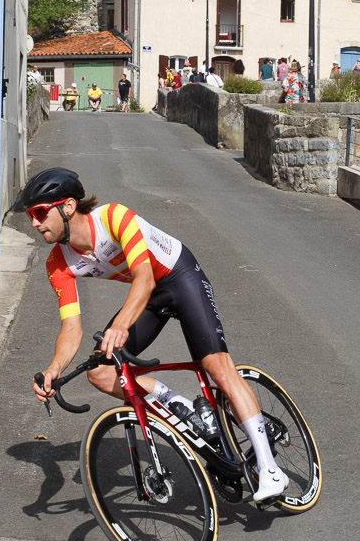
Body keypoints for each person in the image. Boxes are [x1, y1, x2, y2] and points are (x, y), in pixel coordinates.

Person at [25, 168, 289, 503]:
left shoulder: (114, 218)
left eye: (39, 213)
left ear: (68, 206)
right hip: (149, 297)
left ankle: (269, 469)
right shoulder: (57, 263)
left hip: (178, 276)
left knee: (218, 368)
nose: (34, 223)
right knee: (100, 371)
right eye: (30, 216)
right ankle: (182, 409)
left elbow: (145, 278)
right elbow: (71, 327)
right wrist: (54, 369)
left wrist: (121, 324)